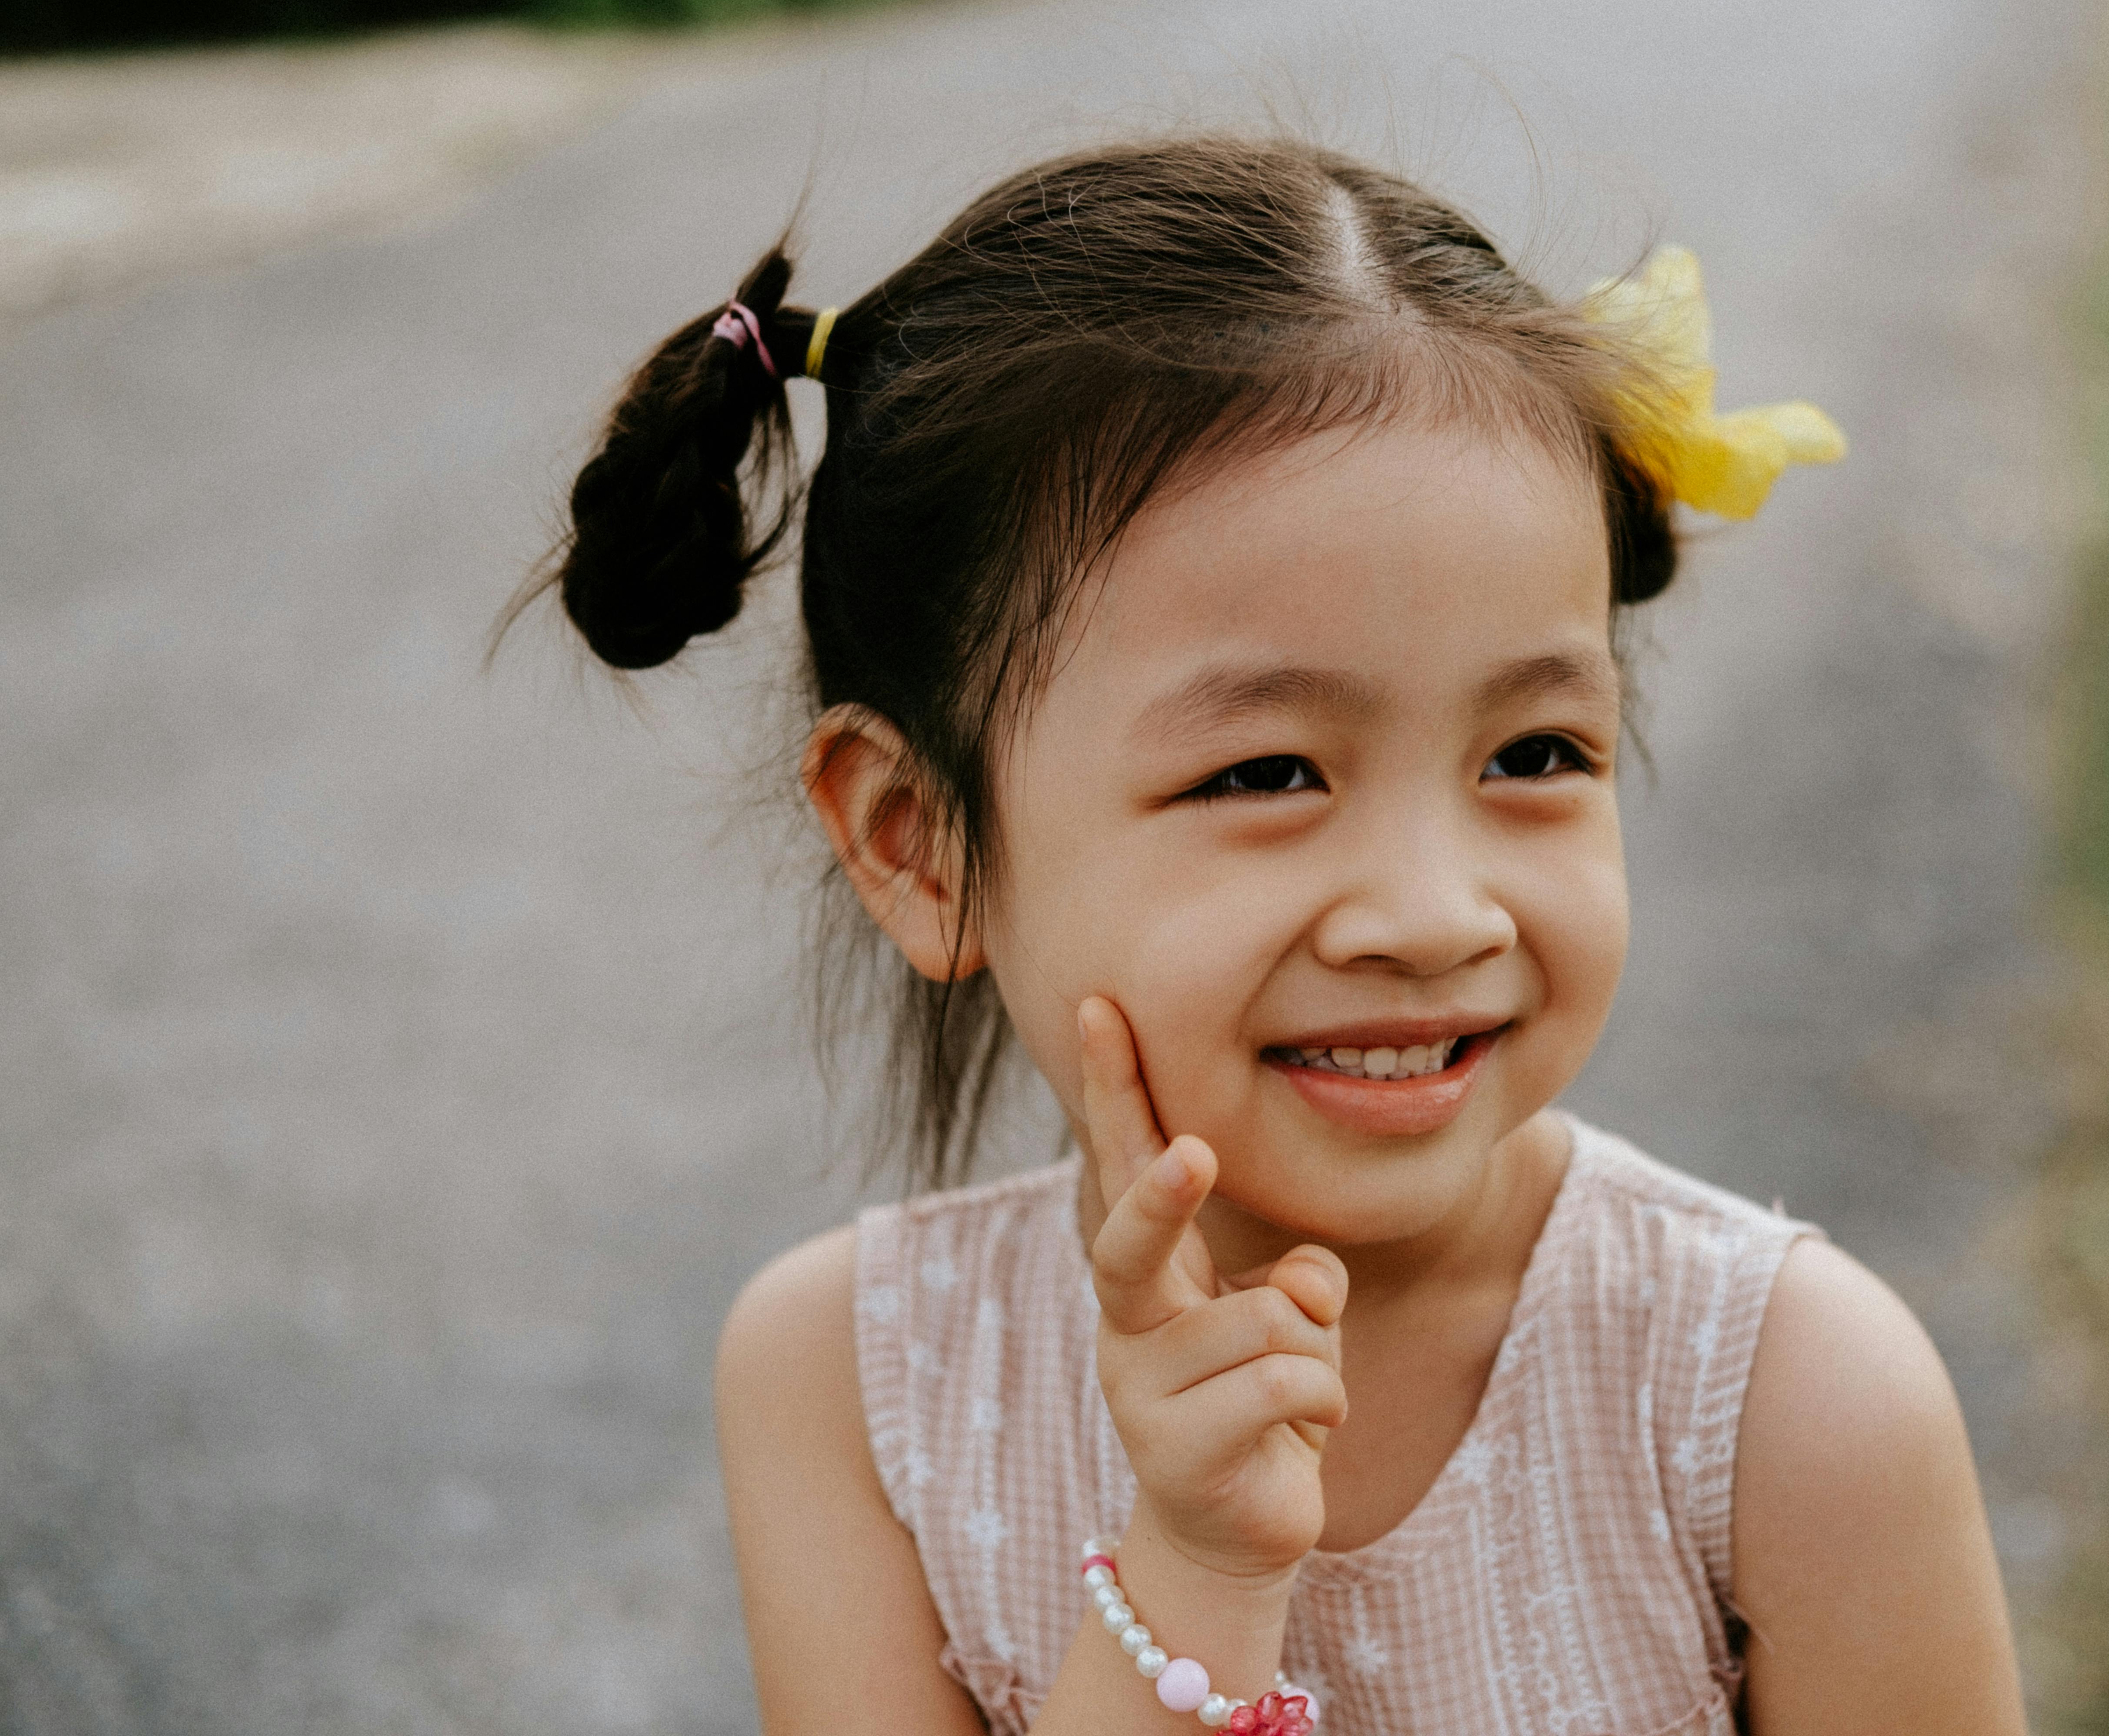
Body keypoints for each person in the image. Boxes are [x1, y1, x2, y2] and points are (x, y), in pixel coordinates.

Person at [538, 136, 2025, 1736]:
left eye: (1532, 755)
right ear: (920, 844)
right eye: (1266, 772)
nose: (1430, 915)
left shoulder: (1786, 1403)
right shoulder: (852, 1389)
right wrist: (1192, 1575)